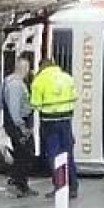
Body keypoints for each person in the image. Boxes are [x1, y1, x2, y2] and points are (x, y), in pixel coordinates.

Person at [30, 58, 79, 199]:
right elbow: (74, 97)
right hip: (66, 121)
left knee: (54, 155)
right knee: (68, 153)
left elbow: (35, 104)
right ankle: (73, 186)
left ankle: (59, 186)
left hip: (49, 122)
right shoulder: (67, 78)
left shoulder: (39, 81)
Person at [1, 58, 39, 198]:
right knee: (25, 154)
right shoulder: (16, 85)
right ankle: (19, 185)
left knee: (21, 154)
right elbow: (14, 108)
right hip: (19, 124)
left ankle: (19, 183)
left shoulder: (8, 82)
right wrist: (21, 126)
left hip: (15, 124)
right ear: (25, 69)